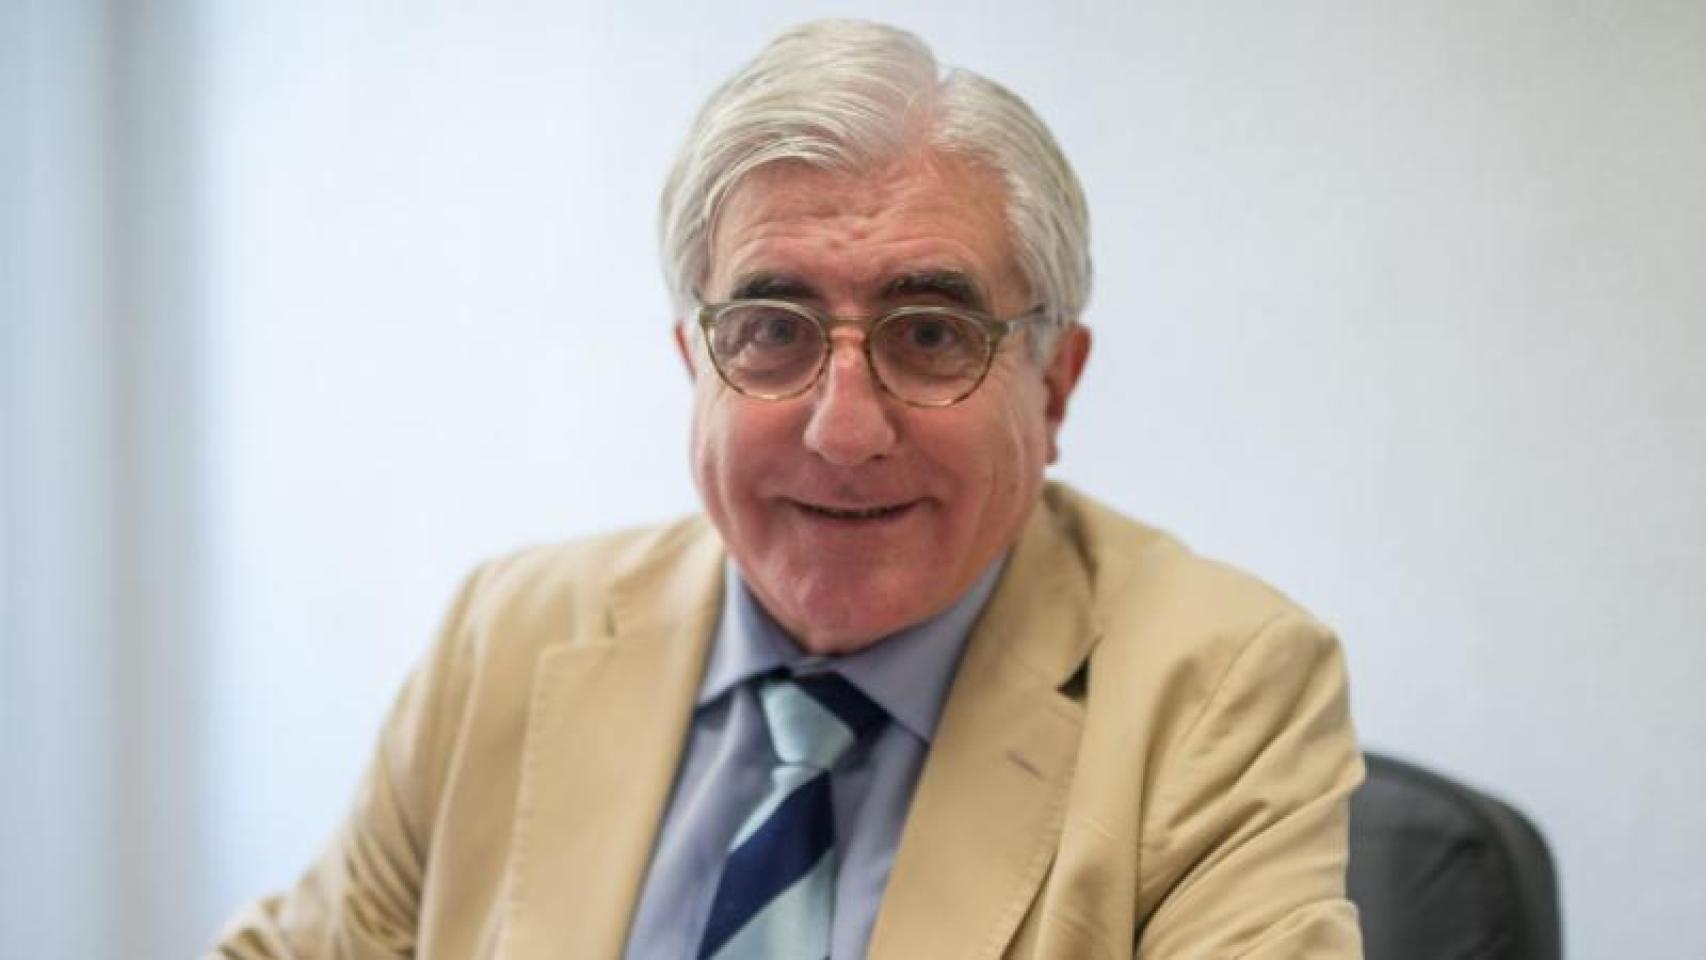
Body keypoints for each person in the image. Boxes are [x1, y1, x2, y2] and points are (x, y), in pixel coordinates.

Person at [212, 18, 1363, 959]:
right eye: (770, 330)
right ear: (694, 366)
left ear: (1052, 387)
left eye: (929, 332)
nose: (843, 428)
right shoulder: (506, 636)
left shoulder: (1221, 687)